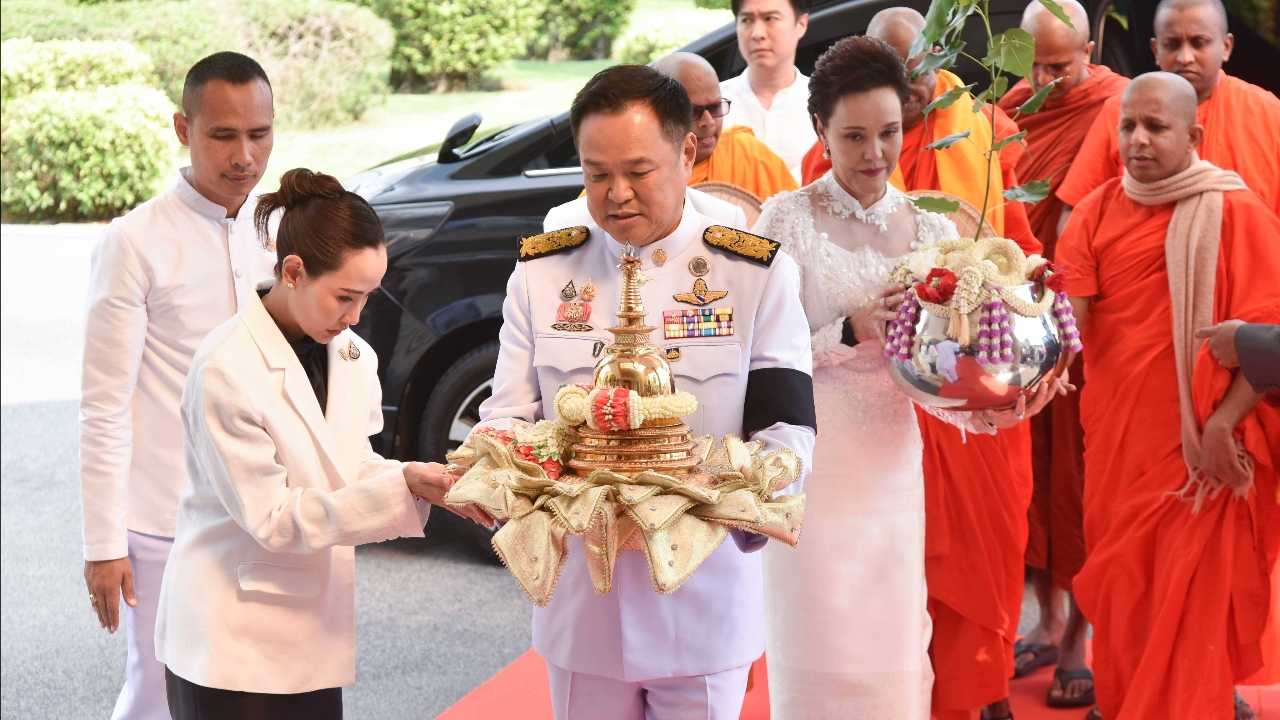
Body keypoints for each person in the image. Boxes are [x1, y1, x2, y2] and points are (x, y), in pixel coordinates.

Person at [475, 64, 817, 719]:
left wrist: (739, 486)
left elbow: (789, 430)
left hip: (704, 599)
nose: (616, 195)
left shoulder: (752, 272)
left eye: (638, 171)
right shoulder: (544, 274)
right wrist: (504, 467)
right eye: (596, 173)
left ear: (687, 152)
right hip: (583, 604)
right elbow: (508, 416)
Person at [753, 36, 1063, 719]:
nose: (874, 154)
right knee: (816, 656)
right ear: (820, 131)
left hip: (893, 474)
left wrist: (992, 408)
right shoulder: (787, 220)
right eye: (854, 135)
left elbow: (933, 373)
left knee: (893, 660)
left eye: (889, 133)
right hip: (811, 470)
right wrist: (847, 329)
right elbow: (757, 360)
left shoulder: (928, 230)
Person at [155, 168, 490, 719]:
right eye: (344, 296)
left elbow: (349, 462)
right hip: (230, 638)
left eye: (367, 298)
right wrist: (400, 487)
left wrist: (413, 479)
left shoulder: (353, 355)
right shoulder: (225, 368)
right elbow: (275, 518)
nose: (356, 317)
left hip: (311, 633)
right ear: (293, 271)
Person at [1058, 72, 1280, 720]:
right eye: (1128, 125)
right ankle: (1130, 701)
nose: (1138, 139)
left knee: (1194, 594)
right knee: (1124, 585)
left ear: (1194, 135)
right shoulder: (1096, 210)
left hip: (1204, 453)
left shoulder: (1238, 212)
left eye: (1156, 127)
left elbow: (1266, 337)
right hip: (1120, 446)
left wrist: (1220, 428)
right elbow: (1066, 325)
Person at [80, 51, 278, 720]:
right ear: (181, 128)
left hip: (266, 514)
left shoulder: (281, 234)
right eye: (223, 135)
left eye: (260, 134)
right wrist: (104, 545)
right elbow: (104, 405)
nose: (245, 156)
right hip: (163, 522)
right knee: (158, 694)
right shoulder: (133, 242)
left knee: (255, 689)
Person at [994, 0, 1127, 708]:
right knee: (1033, 481)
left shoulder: (1115, 105)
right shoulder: (1013, 107)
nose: (1045, 81)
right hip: (1020, 321)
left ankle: (1080, 636)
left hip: (1089, 320)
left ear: (1092, 49)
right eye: (1036, 65)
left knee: (1079, 481)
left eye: (1061, 65)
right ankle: (1044, 621)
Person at [798, 7, 1039, 249]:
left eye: (913, 77)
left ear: (937, 60)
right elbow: (781, 257)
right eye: (887, 83)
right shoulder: (833, 152)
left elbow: (1016, 243)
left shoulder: (984, 129)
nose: (901, 96)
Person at [1057, 0, 1280, 220]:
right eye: (1172, 44)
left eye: (1198, 43)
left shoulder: (1269, 113)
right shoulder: (1120, 111)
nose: (1185, 58)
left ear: (1226, 47)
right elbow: (1075, 212)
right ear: (1156, 49)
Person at [655, 52, 798, 201]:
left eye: (714, 108)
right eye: (693, 111)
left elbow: (796, 215)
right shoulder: (645, 172)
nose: (708, 122)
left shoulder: (748, 153)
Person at [720, 0, 816, 178]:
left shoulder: (827, 104)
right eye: (747, 20)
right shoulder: (711, 106)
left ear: (801, 24)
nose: (757, 34)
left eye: (770, 18)